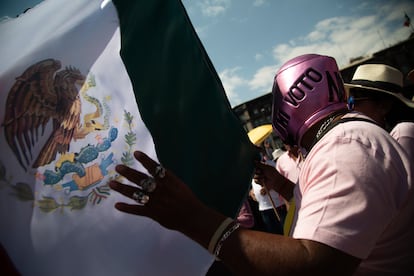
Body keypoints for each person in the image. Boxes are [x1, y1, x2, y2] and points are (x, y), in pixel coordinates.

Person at [109, 54, 414, 275]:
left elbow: (314, 264)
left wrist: (192, 217)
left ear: (296, 97)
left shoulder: (346, 145)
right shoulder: (345, 141)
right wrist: (282, 185)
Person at [345, 63, 414, 159]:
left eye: (356, 99)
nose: (349, 106)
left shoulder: (403, 133)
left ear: (384, 106)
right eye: (349, 99)